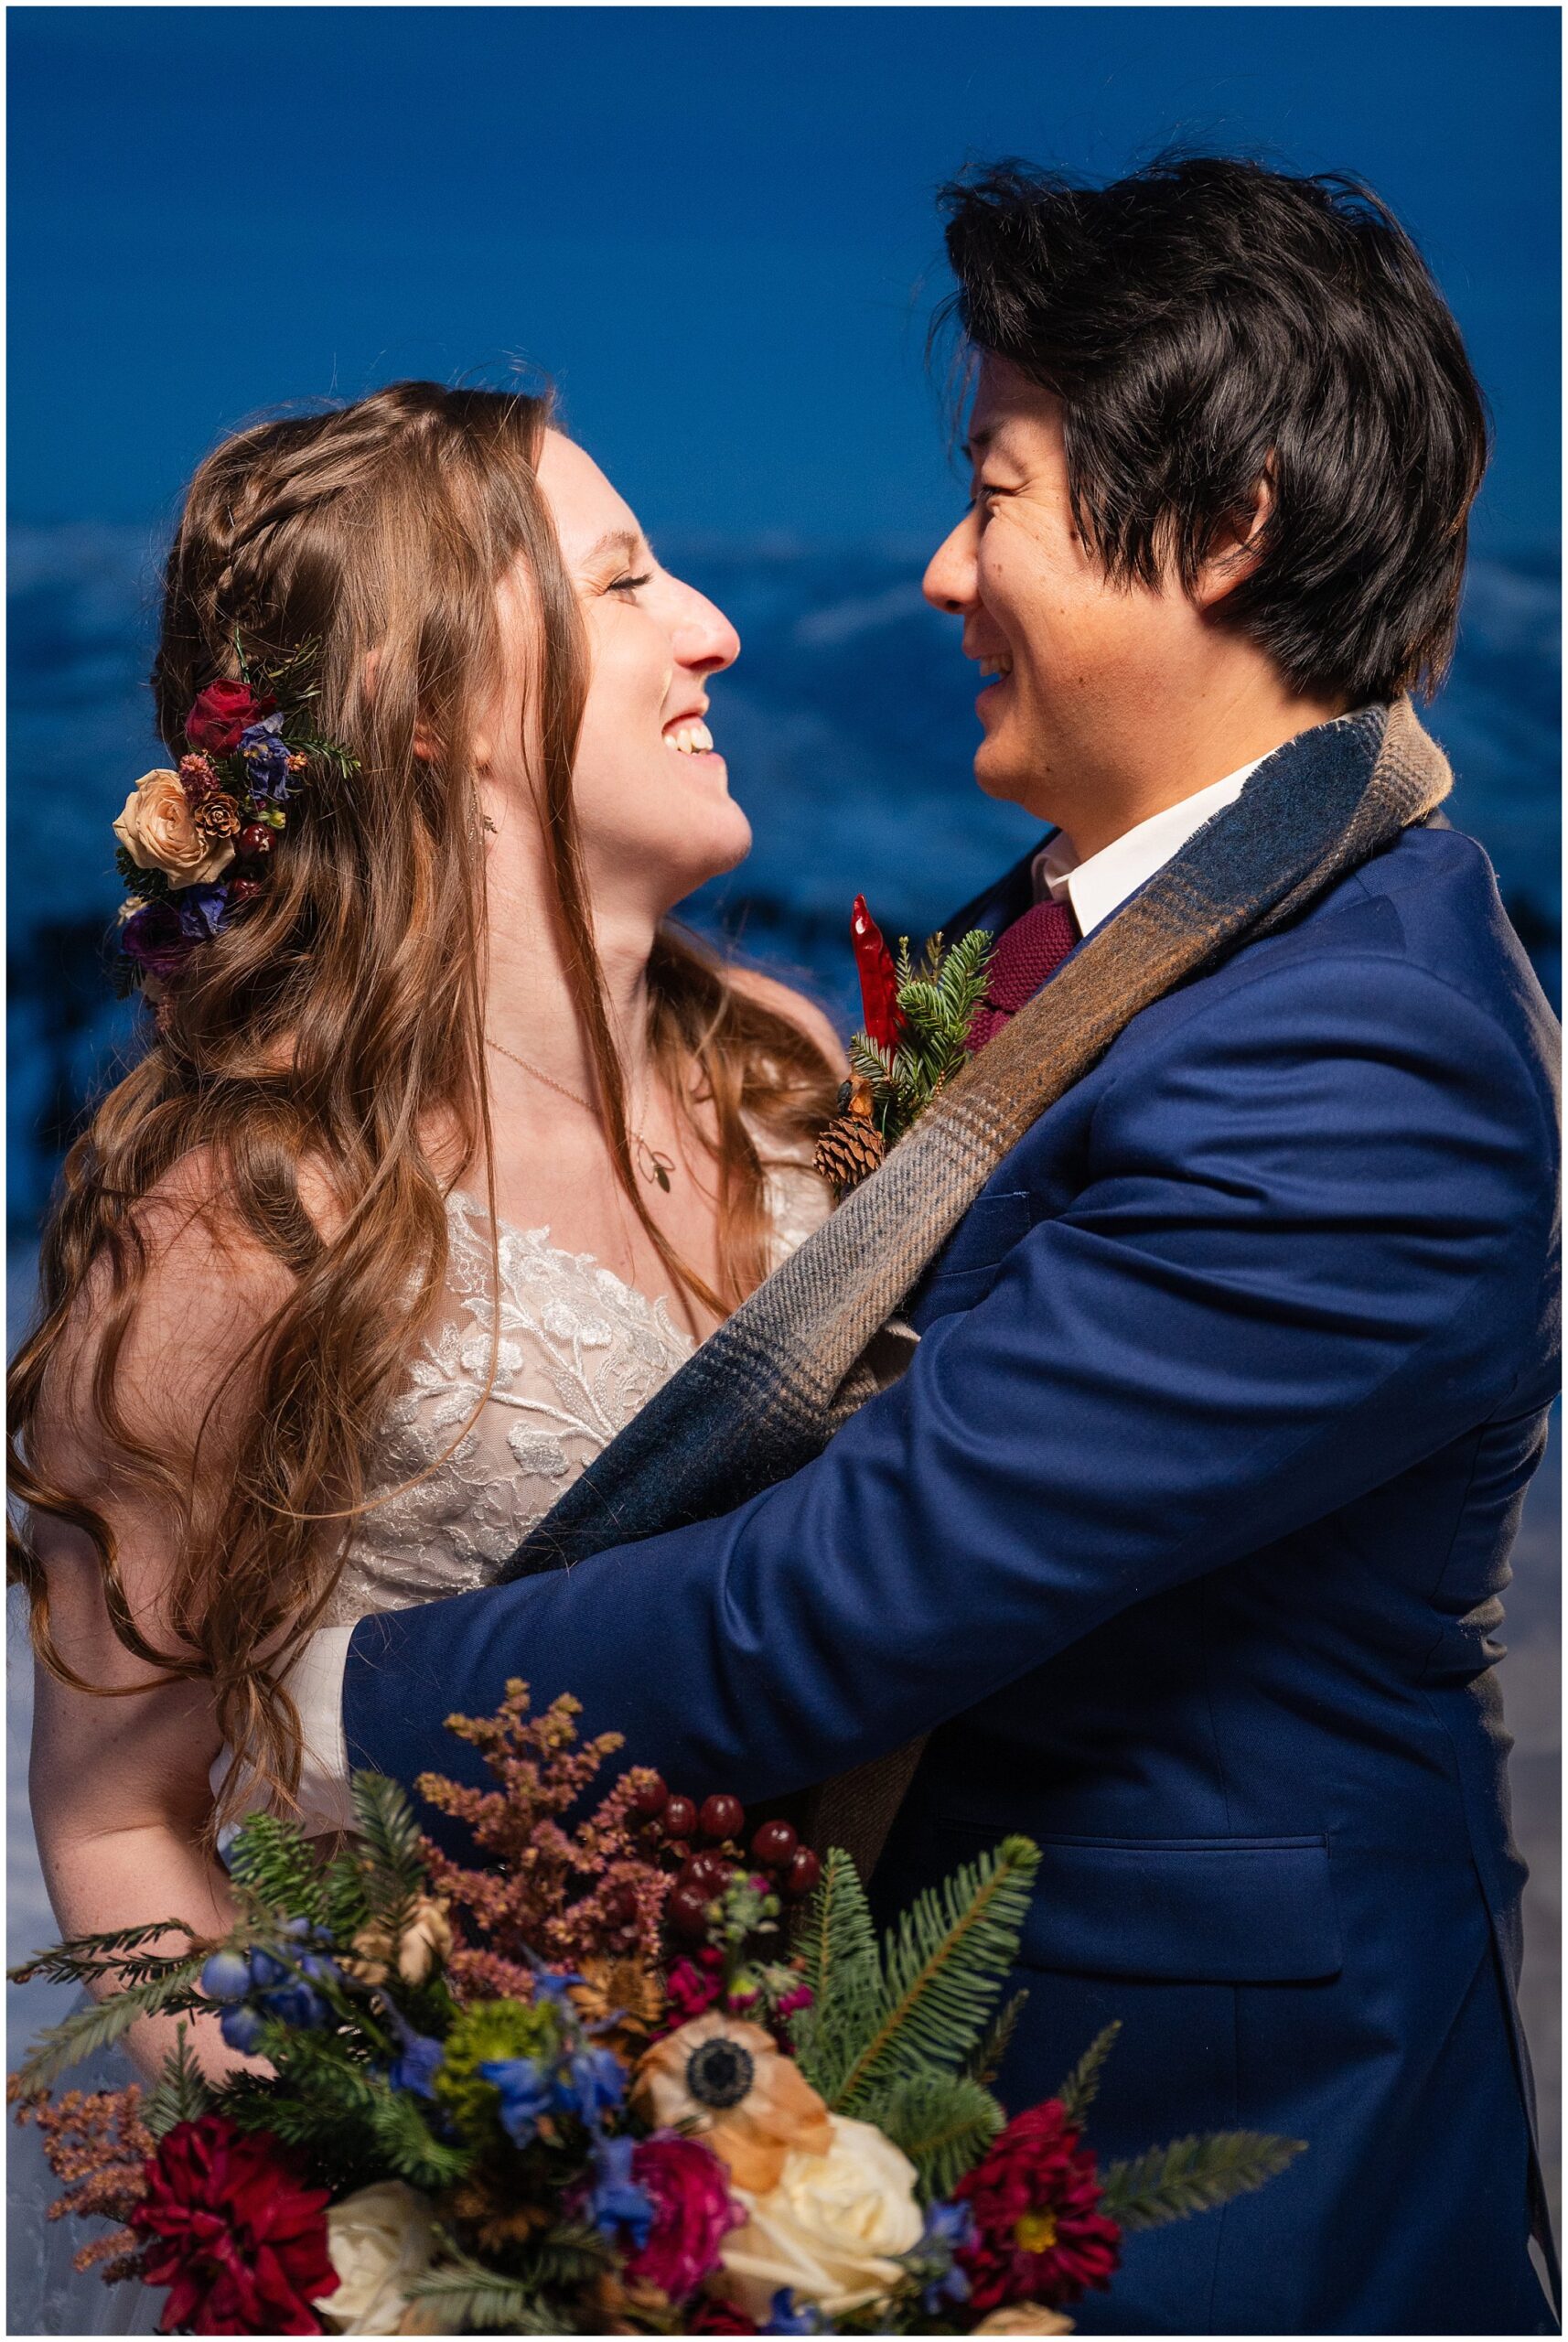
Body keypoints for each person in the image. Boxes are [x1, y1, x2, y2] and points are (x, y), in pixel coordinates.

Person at [328, 164, 1559, 2332]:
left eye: (995, 493)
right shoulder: (1128, 930)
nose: (939, 567)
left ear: (1232, 526)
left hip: (1217, 2151)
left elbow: (866, 1581)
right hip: (890, 2081)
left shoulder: (1358, 1046)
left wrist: (360, 1692)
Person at [6, 381, 842, 2333]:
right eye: (627, 580)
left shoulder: (793, 1073)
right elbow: (118, 1803)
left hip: (831, 2157)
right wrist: (368, 2174)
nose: (711, 625)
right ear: (428, 697)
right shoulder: (234, 1225)